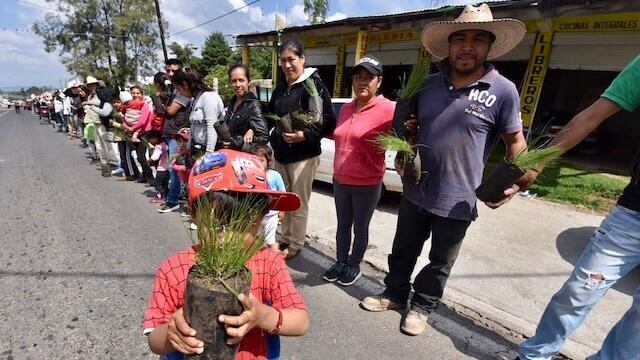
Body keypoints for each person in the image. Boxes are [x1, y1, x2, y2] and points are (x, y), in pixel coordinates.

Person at [359, 3, 528, 336]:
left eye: (478, 39)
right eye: (459, 38)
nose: (467, 46)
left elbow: (517, 144)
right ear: (449, 45)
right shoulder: (428, 85)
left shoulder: (503, 91)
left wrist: (517, 183)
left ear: (489, 46)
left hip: (459, 198)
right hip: (417, 188)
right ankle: (394, 294)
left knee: (439, 263)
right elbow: (413, 128)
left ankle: (421, 307)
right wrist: (406, 140)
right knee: (402, 249)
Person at [516, 55, 640, 360]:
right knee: (579, 291)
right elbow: (592, 116)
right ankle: (535, 354)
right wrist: (539, 161)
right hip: (634, 214)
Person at [143, 149, 309, 359]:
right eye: (218, 224)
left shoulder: (268, 262)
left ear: (262, 219)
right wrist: (171, 333)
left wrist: (263, 316)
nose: (228, 238)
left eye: (243, 225)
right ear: (193, 214)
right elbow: (154, 340)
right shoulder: (174, 267)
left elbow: (301, 321)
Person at [323, 55, 395, 286]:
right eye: (358, 77)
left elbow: (409, 132)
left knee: (360, 227)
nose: (362, 82)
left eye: (369, 77)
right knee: (342, 226)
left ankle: (354, 265)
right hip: (341, 180)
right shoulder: (345, 108)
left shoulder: (389, 109)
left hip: (367, 182)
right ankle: (340, 262)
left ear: (379, 81)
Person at [267, 38, 336, 260]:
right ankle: (285, 237)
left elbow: (328, 121)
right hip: (282, 154)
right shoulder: (281, 88)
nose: (287, 65)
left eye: (292, 59)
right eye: (283, 60)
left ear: (303, 59)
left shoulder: (313, 85)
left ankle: (296, 243)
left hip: (303, 156)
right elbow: (271, 114)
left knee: (298, 201)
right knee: (284, 200)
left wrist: (304, 135)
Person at [157, 70, 193, 216]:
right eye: (168, 71)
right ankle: (175, 201)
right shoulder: (173, 91)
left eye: (174, 70)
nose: (170, 74)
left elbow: (170, 111)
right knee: (175, 169)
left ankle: (184, 203)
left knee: (180, 171)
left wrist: (164, 102)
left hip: (182, 135)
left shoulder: (182, 94)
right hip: (173, 134)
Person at [172, 68, 224, 156]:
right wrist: (188, 147)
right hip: (198, 149)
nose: (179, 93)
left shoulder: (208, 97)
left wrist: (209, 153)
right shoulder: (195, 99)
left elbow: (212, 126)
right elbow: (193, 126)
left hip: (211, 151)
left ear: (185, 85)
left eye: (178, 89)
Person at [220, 64, 269, 151]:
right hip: (231, 154)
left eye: (241, 80)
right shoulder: (231, 102)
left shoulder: (253, 104)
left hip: (245, 157)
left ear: (248, 82)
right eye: (234, 81)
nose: (238, 84)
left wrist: (239, 141)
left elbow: (263, 137)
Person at [250, 143, 286, 253]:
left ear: (269, 161)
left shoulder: (274, 175)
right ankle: (257, 259)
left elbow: (282, 194)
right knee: (254, 239)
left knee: (270, 241)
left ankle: (275, 259)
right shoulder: (250, 174)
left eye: (261, 160)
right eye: (254, 160)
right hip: (256, 215)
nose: (258, 164)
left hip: (271, 215)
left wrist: (282, 211)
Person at [83, 76, 119, 175]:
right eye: (89, 86)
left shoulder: (101, 94)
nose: (91, 87)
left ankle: (114, 162)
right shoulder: (90, 96)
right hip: (94, 122)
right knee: (99, 145)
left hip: (102, 122)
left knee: (108, 143)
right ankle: (105, 162)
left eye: (92, 85)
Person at [121, 85, 154, 184]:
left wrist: (132, 128)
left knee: (141, 157)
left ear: (142, 94)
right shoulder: (128, 105)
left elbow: (143, 121)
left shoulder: (144, 104)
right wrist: (126, 126)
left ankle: (150, 176)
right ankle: (145, 175)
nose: (135, 95)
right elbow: (123, 117)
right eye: (133, 93)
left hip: (143, 133)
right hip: (132, 133)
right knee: (137, 156)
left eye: (138, 93)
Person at [145, 130, 170, 204]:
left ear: (155, 138)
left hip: (161, 168)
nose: (150, 142)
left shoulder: (159, 147)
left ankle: (160, 197)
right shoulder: (165, 144)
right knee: (165, 184)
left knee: (157, 183)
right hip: (167, 168)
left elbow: (155, 157)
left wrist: (148, 161)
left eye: (150, 140)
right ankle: (166, 196)